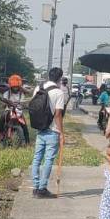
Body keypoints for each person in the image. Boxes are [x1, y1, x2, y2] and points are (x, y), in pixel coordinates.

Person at [30, 67, 67, 198]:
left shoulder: (38, 88)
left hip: (40, 128)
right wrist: (62, 133)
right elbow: (58, 115)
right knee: (48, 160)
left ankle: (35, 187)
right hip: (52, 131)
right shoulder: (59, 92)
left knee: (37, 158)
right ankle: (42, 189)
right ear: (60, 78)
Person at [0, 75, 30, 144]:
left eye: (17, 87)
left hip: (18, 111)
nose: (15, 88)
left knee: (24, 125)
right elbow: (3, 101)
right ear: (11, 87)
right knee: (2, 118)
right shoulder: (7, 93)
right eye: (14, 87)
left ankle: (27, 141)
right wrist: (4, 104)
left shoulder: (21, 94)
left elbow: (23, 102)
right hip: (8, 110)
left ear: (19, 87)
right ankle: (1, 133)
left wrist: (24, 105)